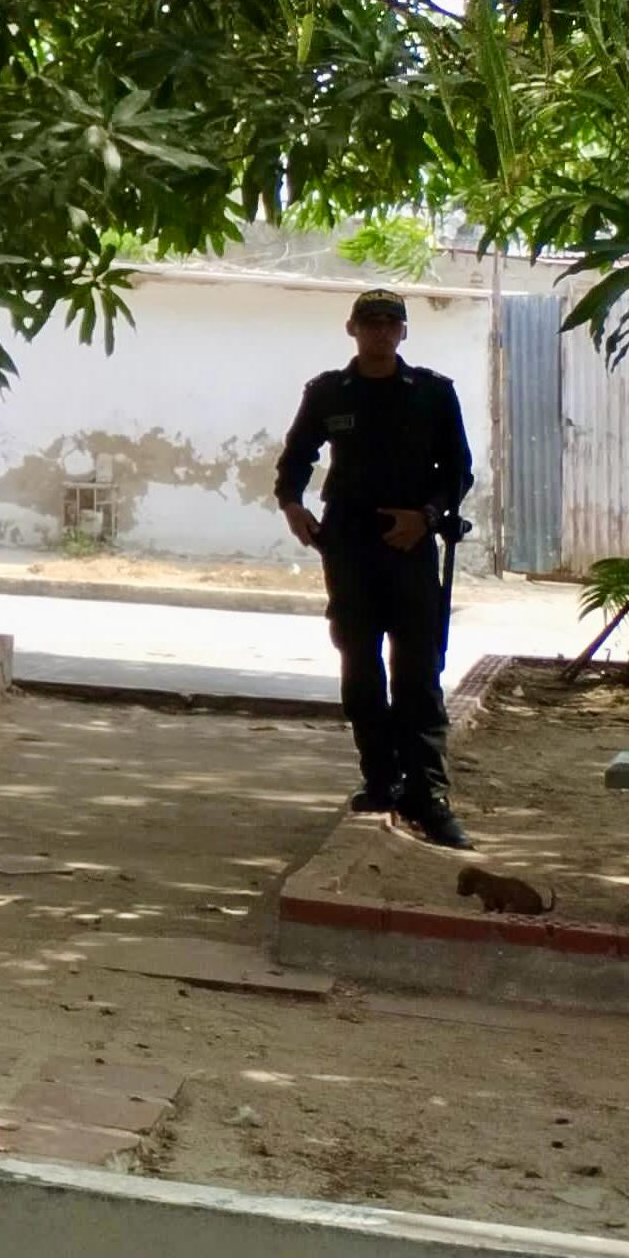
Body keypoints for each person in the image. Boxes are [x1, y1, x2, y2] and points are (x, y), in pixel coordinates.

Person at [275, 289, 475, 847]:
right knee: (360, 668)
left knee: (417, 671)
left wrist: (428, 515)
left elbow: (458, 471)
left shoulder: (433, 394)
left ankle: (427, 793)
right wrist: (293, 505)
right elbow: (296, 459)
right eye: (371, 322)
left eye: (392, 323)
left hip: (410, 543)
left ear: (404, 333)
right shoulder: (328, 393)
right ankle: (380, 780)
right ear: (352, 329)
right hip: (349, 545)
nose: (382, 332)